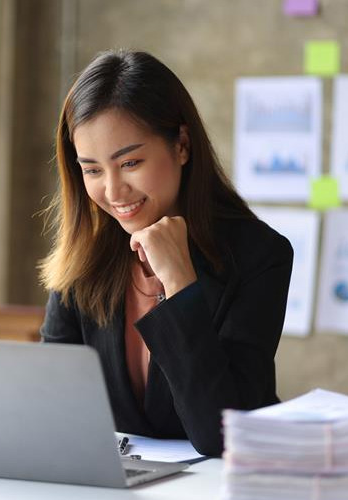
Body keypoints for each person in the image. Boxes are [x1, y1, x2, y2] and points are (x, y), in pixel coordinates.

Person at [38, 49, 294, 457]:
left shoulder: (260, 256)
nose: (113, 190)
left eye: (131, 162)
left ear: (182, 146)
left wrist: (179, 282)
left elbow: (221, 436)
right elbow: (51, 406)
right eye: (92, 170)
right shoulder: (84, 256)